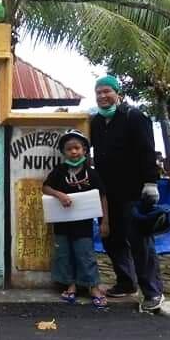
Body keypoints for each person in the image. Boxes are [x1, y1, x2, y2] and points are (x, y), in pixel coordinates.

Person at [90, 75, 165, 312]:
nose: (103, 96)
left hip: (133, 191)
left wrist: (150, 182)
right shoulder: (96, 123)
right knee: (111, 238)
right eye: (99, 93)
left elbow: (147, 150)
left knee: (139, 241)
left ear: (117, 93)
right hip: (107, 192)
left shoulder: (135, 117)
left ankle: (153, 291)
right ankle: (126, 282)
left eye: (106, 92)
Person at [42, 130, 109, 308]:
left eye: (77, 148)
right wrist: (59, 194)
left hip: (83, 225)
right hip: (62, 223)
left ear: (85, 150)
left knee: (85, 254)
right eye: (69, 149)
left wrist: (104, 222)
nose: (73, 152)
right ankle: (70, 284)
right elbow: (46, 188)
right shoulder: (59, 171)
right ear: (63, 152)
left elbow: (102, 197)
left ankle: (92, 287)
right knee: (64, 254)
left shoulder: (91, 173)